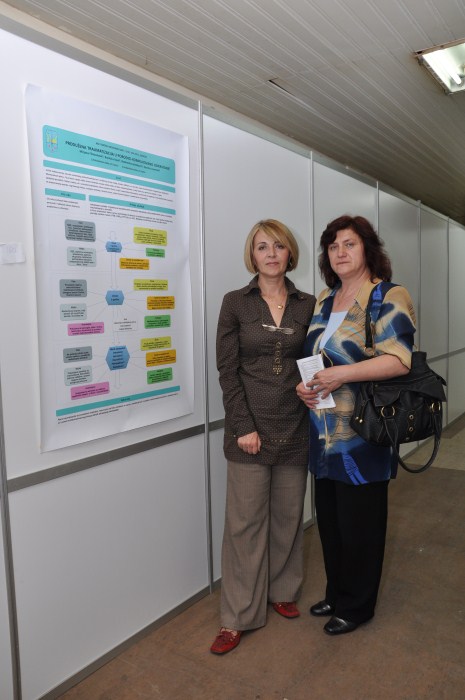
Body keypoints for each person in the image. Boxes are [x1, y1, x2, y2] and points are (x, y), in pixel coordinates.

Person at [297, 215, 416, 636]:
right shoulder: (325, 299)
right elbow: (316, 357)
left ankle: (358, 605)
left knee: (360, 526)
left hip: (364, 435)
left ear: (367, 249)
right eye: (333, 246)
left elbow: (399, 359)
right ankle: (337, 592)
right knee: (330, 522)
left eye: (349, 244)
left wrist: (341, 375)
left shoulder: (388, 295)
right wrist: (304, 385)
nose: (340, 252)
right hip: (322, 432)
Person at [210, 219, 316, 654]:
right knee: (244, 526)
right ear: (252, 256)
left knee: (288, 518)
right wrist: (243, 426)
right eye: (262, 247)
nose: (271, 254)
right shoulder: (235, 302)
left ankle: (282, 591)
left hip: (295, 424)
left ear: (290, 253)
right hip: (249, 430)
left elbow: (316, 359)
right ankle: (237, 615)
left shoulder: (309, 304)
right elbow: (227, 370)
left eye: (278, 246)